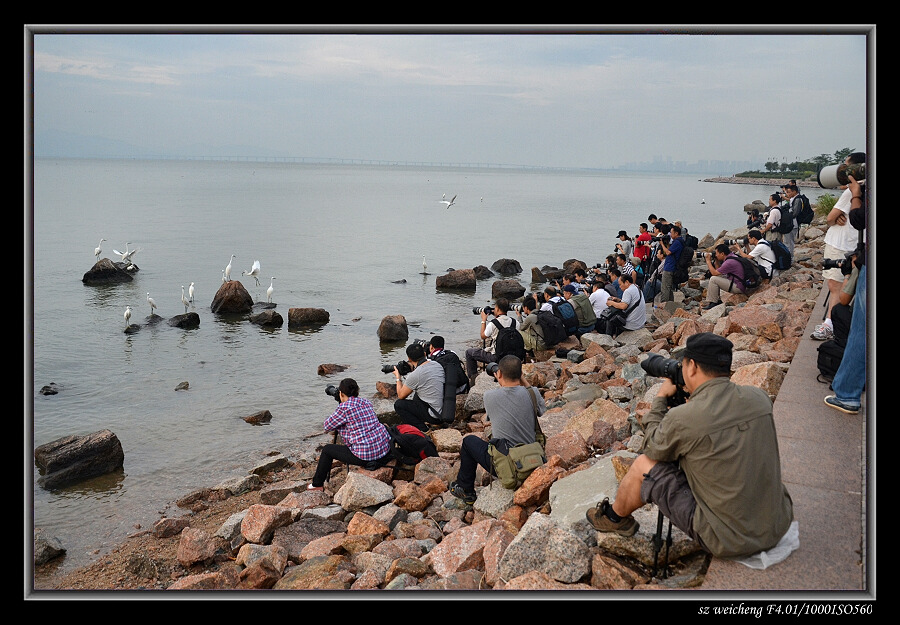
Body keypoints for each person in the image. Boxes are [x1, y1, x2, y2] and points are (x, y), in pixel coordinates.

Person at [586, 333, 794, 560]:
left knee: (644, 465)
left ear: (692, 366)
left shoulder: (685, 418)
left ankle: (614, 518)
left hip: (729, 540)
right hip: (777, 524)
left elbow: (652, 446)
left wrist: (660, 400)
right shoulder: (759, 398)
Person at [449, 355, 546, 504]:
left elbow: (493, 415)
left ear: (499, 374)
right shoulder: (532, 393)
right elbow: (541, 410)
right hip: (532, 458)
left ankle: (466, 490)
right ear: (520, 374)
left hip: (508, 465)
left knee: (469, 441)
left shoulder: (490, 396)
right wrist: (522, 380)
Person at [825, 173, 867, 415]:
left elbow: (859, 219)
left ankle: (848, 394)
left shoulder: (859, 191)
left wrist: (856, 196)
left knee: (861, 330)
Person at [814, 152, 866, 341]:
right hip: (853, 243)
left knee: (836, 286)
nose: (841, 172)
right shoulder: (862, 189)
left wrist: (835, 217)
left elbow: (829, 218)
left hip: (841, 243)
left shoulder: (853, 191)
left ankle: (830, 324)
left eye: (845, 167)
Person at [309, 378, 392, 490]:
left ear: (341, 394)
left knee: (327, 450)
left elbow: (327, 426)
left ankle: (317, 484)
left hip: (366, 456)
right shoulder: (366, 402)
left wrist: (340, 408)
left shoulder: (344, 408)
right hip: (383, 449)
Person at [394, 342, 446, 431]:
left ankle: (422, 429)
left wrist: (398, 378)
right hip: (444, 410)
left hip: (434, 416)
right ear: (425, 354)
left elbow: (401, 395)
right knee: (418, 392)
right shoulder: (436, 364)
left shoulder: (416, 374)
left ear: (409, 359)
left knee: (399, 404)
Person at [465, 298, 515, 387]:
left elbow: (483, 336)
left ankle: (473, 380)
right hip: (511, 355)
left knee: (469, 353)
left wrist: (483, 320)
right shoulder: (515, 322)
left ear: (498, 309)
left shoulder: (493, 324)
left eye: (495, 308)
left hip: (496, 357)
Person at [702, 243, 746, 309]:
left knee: (713, 279)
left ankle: (713, 302)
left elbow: (714, 273)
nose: (716, 255)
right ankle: (718, 300)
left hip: (738, 287)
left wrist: (708, 261)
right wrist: (716, 261)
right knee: (717, 277)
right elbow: (719, 272)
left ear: (722, 254)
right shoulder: (733, 256)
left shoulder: (729, 262)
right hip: (741, 283)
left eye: (717, 253)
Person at [659, 224, 684, 303]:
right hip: (672, 266)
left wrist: (662, 244)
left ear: (676, 233)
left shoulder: (677, 242)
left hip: (669, 267)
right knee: (669, 288)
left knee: (665, 288)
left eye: (671, 233)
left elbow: (668, 252)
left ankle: (664, 305)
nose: (670, 234)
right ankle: (670, 304)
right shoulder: (680, 241)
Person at [782, 184, 801, 255]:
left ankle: (790, 259)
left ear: (794, 192)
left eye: (789, 192)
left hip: (793, 224)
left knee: (789, 242)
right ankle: (788, 257)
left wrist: (787, 217)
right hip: (791, 223)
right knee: (787, 242)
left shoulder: (798, 199)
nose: (788, 194)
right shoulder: (793, 199)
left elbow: (795, 213)